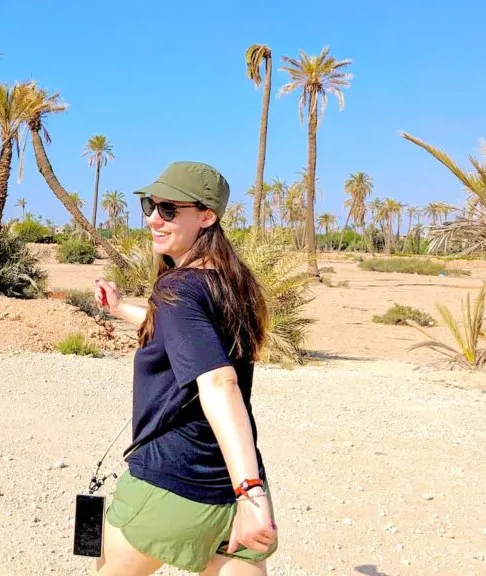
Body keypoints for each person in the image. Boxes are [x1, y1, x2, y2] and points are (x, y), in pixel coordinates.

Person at [92, 161, 277, 576]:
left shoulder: (178, 286)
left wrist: (251, 495)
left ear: (206, 216)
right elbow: (185, 340)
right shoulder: (233, 281)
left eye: (169, 209)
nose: (154, 218)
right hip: (228, 485)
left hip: (173, 479)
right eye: (149, 205)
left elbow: (218, 381)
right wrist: (122, 308)